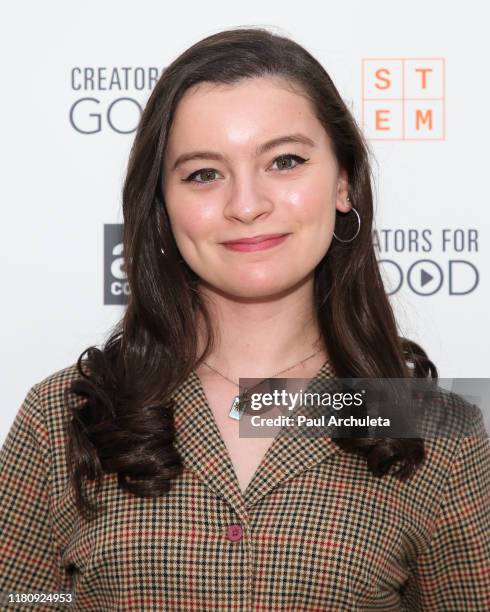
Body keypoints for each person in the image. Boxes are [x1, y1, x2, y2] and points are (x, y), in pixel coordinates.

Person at [1, 26, 488, 611]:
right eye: (203, 173)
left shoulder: (432, 428)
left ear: (341, 182)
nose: (246, 204)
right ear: (162, 204)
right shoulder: (63, 419)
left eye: (284, 161)